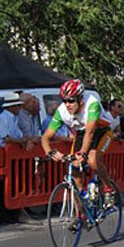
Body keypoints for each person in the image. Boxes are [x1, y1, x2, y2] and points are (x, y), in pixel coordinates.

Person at [41, 79, 116, 207]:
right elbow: (46, 137)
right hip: (81, 132)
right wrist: (50, 152)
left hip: (101, 131)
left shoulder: (92, 104)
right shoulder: (62, 111)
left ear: (81, 100)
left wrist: (83, 153)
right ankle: (80, 216)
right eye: (64, 100)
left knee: (92, 160)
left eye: (71, 101)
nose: (67, 105)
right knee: (75, 174)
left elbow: (90, 133)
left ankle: (109, 189)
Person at [0, 93, 36, 224]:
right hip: (1, 157)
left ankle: (12, 215)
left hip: (9, 158)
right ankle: (3, 217)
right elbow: (7, 138)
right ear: (11, 107)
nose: (19, 109)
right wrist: (22, 140)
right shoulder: (2, 118)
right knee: (1, 187)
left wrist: (25, 140)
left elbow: (18, 135)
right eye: (17, 106)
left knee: (11, 185)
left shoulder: (13, 119)